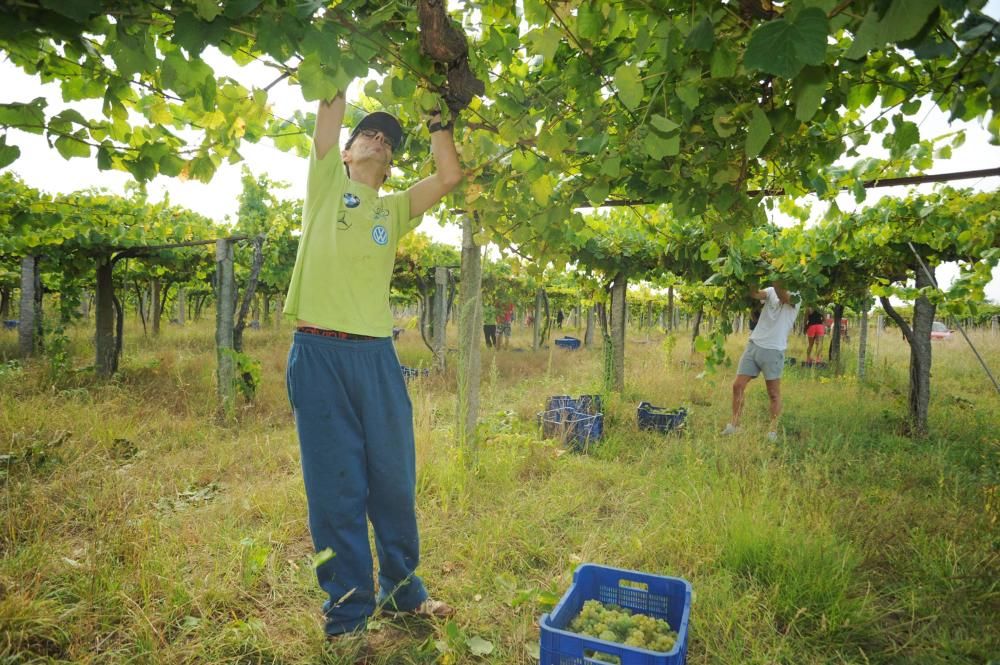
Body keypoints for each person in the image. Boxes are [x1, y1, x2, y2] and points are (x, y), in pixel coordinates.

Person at [283, 89, 462, 639]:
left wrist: (437, 119)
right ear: (347, 152)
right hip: (319, 354)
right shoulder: (326, 186)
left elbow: (449, 176)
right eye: (370, 134)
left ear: (389, 167)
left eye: (388, 142)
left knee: (392, 478)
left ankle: (405, 592)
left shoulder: (394, 208)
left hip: (376, 357)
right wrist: (335, 54)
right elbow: (328, 119)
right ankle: (347, 616)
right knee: (335, 489)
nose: (378, 142)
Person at [722, 281, 801, 441]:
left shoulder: (797, 296)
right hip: (754, 344)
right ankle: (734, 426)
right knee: (737, 386)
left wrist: (776, 276)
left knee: (773, 393)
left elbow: (783, 296)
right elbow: (756, 294)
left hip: (774, 350)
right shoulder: (771, 290)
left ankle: (772, 431)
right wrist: (750, 275)